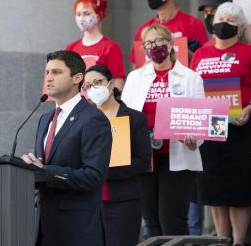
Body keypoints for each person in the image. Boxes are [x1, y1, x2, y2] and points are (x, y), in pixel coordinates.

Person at [122, 24, 205, 237]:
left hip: (178, 156)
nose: (154, 47)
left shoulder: (191, 78)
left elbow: (200, 119)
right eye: (148, 43)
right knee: (151, 219)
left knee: (172, 218)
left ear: (170, 44)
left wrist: (194, 138)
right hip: (144, 157)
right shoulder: (135, 78)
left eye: (159, 41)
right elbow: (124, 116)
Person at [22, 50, 112, 246]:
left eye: (56, 72)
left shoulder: (93, 119)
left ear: (77, 78)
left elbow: (93, 176)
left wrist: (45, 171)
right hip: (44, 227)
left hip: (77, 229)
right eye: (47, 73)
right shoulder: (44, 119)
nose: (49, 78)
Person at [190, 2, 251, 245]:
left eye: (232, 21)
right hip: (209, 128)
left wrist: (249, 108)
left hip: (240, 128)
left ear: (241, 27)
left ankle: (238, 241)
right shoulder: (202, 53)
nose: (225, 23)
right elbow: (193, 89)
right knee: (213, 188)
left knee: (238, 188)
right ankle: (222, 240)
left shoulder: (248, 52)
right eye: (221, 18)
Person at [83, 64, 151, 246]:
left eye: (97, 82)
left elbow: (143, 161)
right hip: (89, 202)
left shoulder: (135, 119)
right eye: (87, 86)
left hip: (123, 201)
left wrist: (107, 172)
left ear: (111, 83)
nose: (93, 89)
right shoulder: (84, 120)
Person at [128, 0, 208, 66]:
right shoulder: (144, 30)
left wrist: (183, 50)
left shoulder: (193, 24)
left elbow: (204, 62)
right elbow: (136, 65)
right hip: (152, 83)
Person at [67, 0, 125, 90]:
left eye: (86, 13)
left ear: (99, 14)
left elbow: (117, 84)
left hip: (100, 102)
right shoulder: (71, 48)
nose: (81, 18)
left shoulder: (111, 47)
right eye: (78, 14)